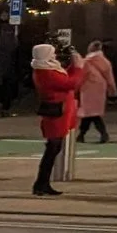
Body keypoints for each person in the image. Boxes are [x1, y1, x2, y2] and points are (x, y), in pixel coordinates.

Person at [28, 43, 81, 198]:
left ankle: (42, 183)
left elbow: (66, 78)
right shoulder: (45, 73)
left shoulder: (47, 69)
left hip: (59, 113)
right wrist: (78, 67)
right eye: (52, 53)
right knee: (52, 148)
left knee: (54, 148)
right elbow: (70, 83)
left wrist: (73, 64)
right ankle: (41, 183)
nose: (55, 56)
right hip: (56, 114)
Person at [74, 40, 117, 144]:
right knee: (92, 113)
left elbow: (82, 76)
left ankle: (91, 134)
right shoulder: (105, 62)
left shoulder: (86, 61)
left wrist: (75, 88)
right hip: (100, 88)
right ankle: (84, 135)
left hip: (88, 88)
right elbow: (109, 77)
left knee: (90, 113)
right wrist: (112, 89)